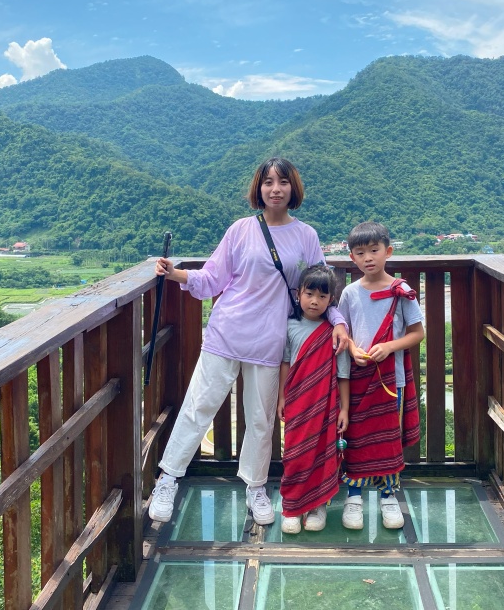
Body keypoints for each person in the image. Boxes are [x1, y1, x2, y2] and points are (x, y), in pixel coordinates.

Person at [148, 157, 349, 526]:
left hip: (272, 341)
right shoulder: (241, 229)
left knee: (260, 421)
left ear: (294, 189)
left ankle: (256, 488)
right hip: (227, 332)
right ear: (258, 188)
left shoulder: (306, 235)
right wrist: (175, 273)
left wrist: (337, 322)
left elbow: (323, 288)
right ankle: (168, 479)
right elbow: (211, 279)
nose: (275, 189)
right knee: (198, 408)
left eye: (283, 182)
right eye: (268, 182)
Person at [337, 221, 423, 530]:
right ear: (353, 258)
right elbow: (342, 332)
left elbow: (417, 333)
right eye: (361, 253)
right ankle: (354, 496)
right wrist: (351, 349)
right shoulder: (348, 293)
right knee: (356, 439)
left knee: (388, 440)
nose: (369, 258)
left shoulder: (402, 292)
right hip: (358, 379)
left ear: (388, 251)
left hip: (391, 381)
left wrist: (389, 346)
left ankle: (388, 496)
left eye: (374, 250)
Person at [276, 264, 351, 534]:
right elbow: (286, 363)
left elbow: (343, 373)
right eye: (310, 294)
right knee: (294, 454)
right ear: (299, 295)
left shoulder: (335, 332)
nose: (315, 301)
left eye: (322, 296)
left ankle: (318, 505)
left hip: (326, 405)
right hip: (297, 402)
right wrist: (282, 397)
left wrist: (344, 408)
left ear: (331, 300)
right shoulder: (290, 325)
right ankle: (292, 506)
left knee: (324, 453)